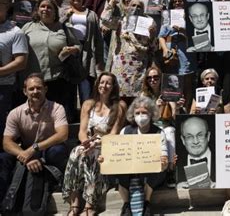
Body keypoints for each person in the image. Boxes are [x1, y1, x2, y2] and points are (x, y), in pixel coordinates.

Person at [62, 72, 126, 216]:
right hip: (88, 142)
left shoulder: (119, 106)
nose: (104, 86)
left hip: (107, 145)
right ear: (97, 84)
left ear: (113, 86)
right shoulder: (88, 104)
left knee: (93, 154)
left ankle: (90, 204)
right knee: (76, 152)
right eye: (102, 82)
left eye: (108, 83)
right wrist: (85, 142)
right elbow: (82, 131)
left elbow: (114, 134)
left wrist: (96, 143)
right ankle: (75, 203)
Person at [0, 73, 69, 202]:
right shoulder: (15, 113)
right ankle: (4, 200)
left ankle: (58, 184)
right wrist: (26, 156)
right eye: (31, 89)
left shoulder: (57, 108)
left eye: (39, 88)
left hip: (48, 149)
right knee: (3, 158)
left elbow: (62, 135)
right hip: (26, 152)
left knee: (58, 151)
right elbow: (6, 142)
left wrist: (34, 149)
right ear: (25, 91)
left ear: (45, 89)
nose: (35, 91)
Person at [100, 96, 168, 216]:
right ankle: (126, 204)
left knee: (158, 170)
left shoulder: (159, 132)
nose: (141, 116)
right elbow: (116, 153)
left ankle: (147, 202)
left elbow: (164, 155)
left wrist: (163, 161)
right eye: (137, 113)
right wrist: (105, 159)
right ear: (133, 114)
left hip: (149, 171)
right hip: (129, 170)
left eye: (144, 112)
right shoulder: (126, 131)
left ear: (151, 114)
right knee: (116, 170)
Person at [22, 0, 81, 122]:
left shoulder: (64, 28)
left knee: (56, 117)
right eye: (42, 6)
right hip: (34, 82)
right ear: (37, 10)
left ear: (55, 12)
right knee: (35, 116)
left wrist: (71, 50)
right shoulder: (27, 28)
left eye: (49, 7)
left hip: (57, 79)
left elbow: (78, 45)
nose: (45, 9)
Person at [107, 0, 158, 104]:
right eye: (133, 5)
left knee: (137, 101)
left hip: (139, 69)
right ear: (127, 7)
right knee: (120, 101)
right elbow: (105, 21)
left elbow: (153, 48)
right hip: (121, 69)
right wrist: (111, 4)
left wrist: (152, 36)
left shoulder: (149, 23)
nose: (136, 8)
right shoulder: (121, 21)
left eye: (139, 6)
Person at [61, 0, 104, 104]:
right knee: (69, 82)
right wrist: (66, 16)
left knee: (86, 81)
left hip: (86, 50)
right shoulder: (63, 11)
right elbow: (57, 27)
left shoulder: (91, 14)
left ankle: (86, 109)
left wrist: (99, 59)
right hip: (69, 51)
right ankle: (71, 113)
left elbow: (98, 38)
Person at [0, 0, 28, 150]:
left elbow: (20, 62)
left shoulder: (15, 32)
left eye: (1, 4)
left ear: (7, 7)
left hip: (3, 88)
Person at [177, 116, 214, 188]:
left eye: (200, 135)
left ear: (208, 136)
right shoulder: (176, 164)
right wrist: (176, 188)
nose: (195, 141)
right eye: (189, 136)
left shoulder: (223, 160)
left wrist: (222, 187)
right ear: (183, 140)